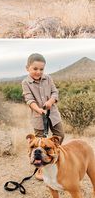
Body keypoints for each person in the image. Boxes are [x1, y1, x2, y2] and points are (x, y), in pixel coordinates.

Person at [22, 52, 64, 180]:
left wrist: (51, 102)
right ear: (27, 68)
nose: (38, 72)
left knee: (60, 135)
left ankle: (53, 157)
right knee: (39, 143)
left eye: (41, 69)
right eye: (35, 69)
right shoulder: (26, 83)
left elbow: (55, 92)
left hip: (53, 115)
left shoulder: (48, 78)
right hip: (38, 117)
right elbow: (29, 99)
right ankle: (40, 167)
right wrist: (38, 109)